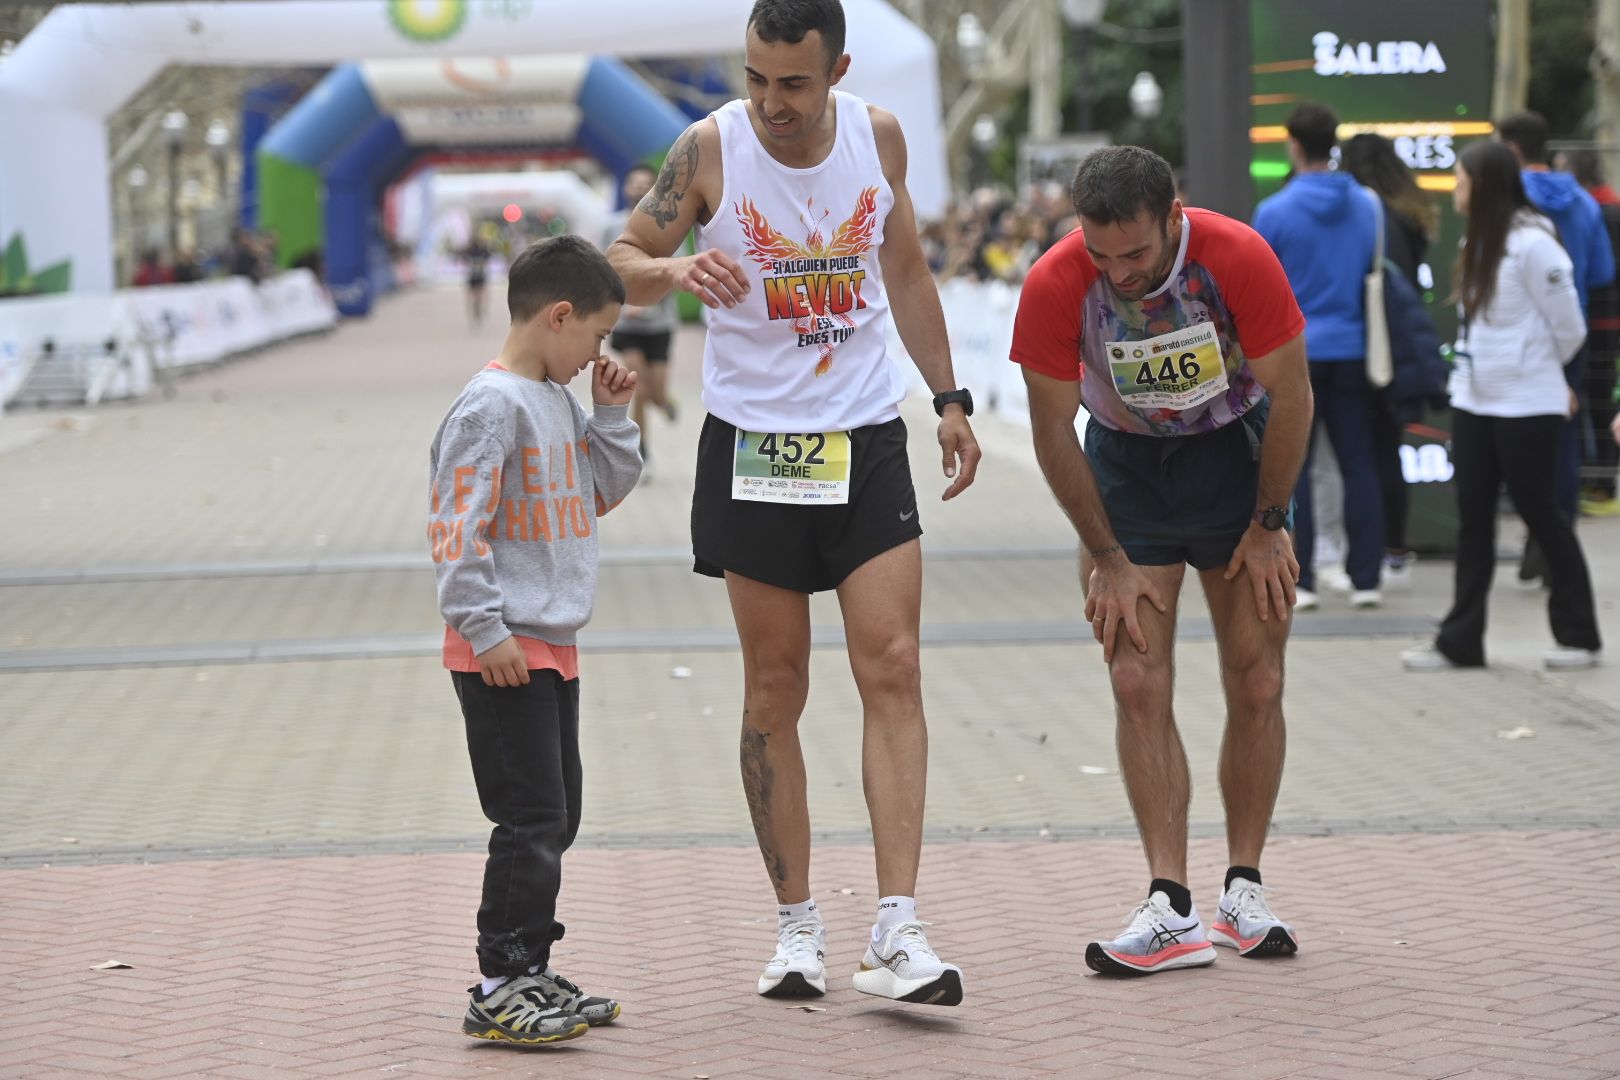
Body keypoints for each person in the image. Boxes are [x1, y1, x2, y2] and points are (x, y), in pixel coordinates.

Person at [607, 0, 980, 1006]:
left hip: (863, 439)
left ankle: (898, 928)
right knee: (776, 690)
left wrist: (947, 399)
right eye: (757, 78)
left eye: (794, 83)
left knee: (893, 665)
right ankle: (797, 926)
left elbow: (902, 268)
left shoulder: (880, 137)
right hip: (755, 447)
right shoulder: (707, 150)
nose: (771, 103)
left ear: (839, 70)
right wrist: (675, 265)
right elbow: (615, 266)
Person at [1013, 145, 1311, 975]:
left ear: (1173, 219)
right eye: (1101, 255)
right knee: (1135, 677)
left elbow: (1295, 394)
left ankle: (1243, 889)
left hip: (1235, 455)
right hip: (1126, 465)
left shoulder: (1236, 256)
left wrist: (1269, 521)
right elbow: (1050, 432)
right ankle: (1170, 903)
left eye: (1137, 254)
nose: (1120, 274)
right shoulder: (1056, 281)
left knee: (1257, 679)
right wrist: (1103, 553)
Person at [428, 235, 643, 1043]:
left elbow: (599, 495)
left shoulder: (554, 397)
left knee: (559, 815)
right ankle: (499, 981)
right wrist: (485, 631)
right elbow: (456, 526)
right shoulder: (490, 406)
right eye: (595, 336)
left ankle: (530, 967)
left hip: (551, 642)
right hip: (504, 648)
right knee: (528, 817)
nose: (597, 354)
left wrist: (612, 417)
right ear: (558, 316)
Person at [1401, 143, 1602, 672]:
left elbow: (1571, 328)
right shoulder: (1481, 240)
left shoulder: (1535, 244)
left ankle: (1579, 634)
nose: (1455, 188)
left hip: (1527, 405)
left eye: (1460, 178)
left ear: (1483, 185)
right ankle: (1460, 642)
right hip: (1476, 401)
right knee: (1474, 521)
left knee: (1542, 514)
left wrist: (1535, 370)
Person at [1253, 102, 1384, 610]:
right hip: (1355, 347)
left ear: (1293, 144)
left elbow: (1261, 289)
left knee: (1293, 464)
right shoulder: (1368, 205)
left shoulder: (1275, 211)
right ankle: (1366, 576)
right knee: (1359, 461)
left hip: (1295, 355)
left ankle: (1300, 578)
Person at [1498, 112, 1616, 581]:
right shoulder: (1584, 202)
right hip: (1573, 331)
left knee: (1507, 441)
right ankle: (1555, 542)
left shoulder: (1506, 201)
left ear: (1510, 151)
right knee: (1563, 440)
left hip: (1517, 339)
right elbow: (1604, 270)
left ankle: (1533, 532)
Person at [1340, 133, 1441, 585]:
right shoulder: (1410, 212)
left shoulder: (1364, 212)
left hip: (1366, 343)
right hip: (1399, 344)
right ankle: (1394, 546)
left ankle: (1366, 551)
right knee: (1388, 449)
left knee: (1362, 454)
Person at [602, 164, 680, 472]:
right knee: (638, 385)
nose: (637, 188)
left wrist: (648, 304)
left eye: (644, 184)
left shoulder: (670, 226)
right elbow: (603, 272)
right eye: (633, 183)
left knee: (655, 392)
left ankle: (666, 403)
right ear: (625, 188)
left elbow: (676, 272)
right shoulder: (611, 228)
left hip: (659, 325)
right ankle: (642, 451)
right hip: (626, 327)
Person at [1562, 149, 1620, 516]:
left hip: (1594, 316)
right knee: (1600, 398)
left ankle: (1595, 479)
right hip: (1609, 319)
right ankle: (1601, 481)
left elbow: (1600, 270)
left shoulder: (1589, 211)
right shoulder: (1611, 207)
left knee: (1588, 398)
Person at [464, 231, 492, 327]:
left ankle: (478, 314)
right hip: (474, 275)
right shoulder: (472, 249)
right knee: (475, 297)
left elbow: (488, 256)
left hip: (479, 275)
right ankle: (476, 314)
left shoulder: (480, 249)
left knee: (478, 297)